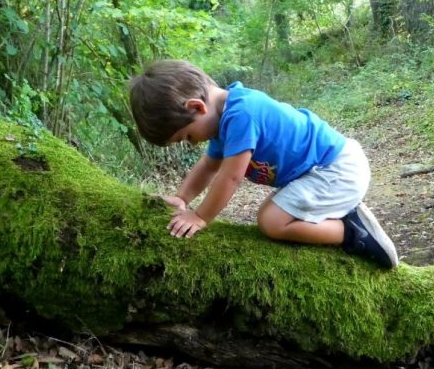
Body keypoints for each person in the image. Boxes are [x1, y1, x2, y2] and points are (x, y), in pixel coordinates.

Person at [129, 60, 398, 269]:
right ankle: (340, 217)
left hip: (336, 169)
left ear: (197, 107)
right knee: (273, 214)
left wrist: (200, 217)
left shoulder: (242, 114)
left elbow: (230, 177)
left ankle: (354, 233)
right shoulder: (224, 120)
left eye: (187, 136)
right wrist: (182, 198)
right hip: (324, 170)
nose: (192, 143)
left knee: (272, 221)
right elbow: (209, 165)